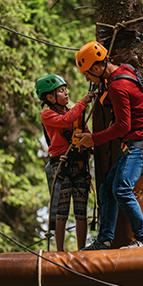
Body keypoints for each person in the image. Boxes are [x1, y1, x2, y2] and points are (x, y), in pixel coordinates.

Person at [74, 40, 143, 250]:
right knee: (106, 190)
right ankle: (104, 240)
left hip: (140, 143)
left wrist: (92, 139)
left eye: (88, 73)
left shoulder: (117, 85)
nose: (87, 78)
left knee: (121, 189)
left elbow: (123, 126)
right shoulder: (124, 71)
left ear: (97, 68)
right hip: (136, 142)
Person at [36, 74, 93, 251]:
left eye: (65, 90)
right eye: (61, 91)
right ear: (50, 97)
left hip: (79, 164)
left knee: (81, 210)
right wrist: (83, 103)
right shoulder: (47, 114)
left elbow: (86, 132)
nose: (66, 94)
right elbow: (64, 121)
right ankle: (59, 252)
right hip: (60, 165)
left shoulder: (73, 113)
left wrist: (88, 146)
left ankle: (81, 249)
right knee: (62, 211)